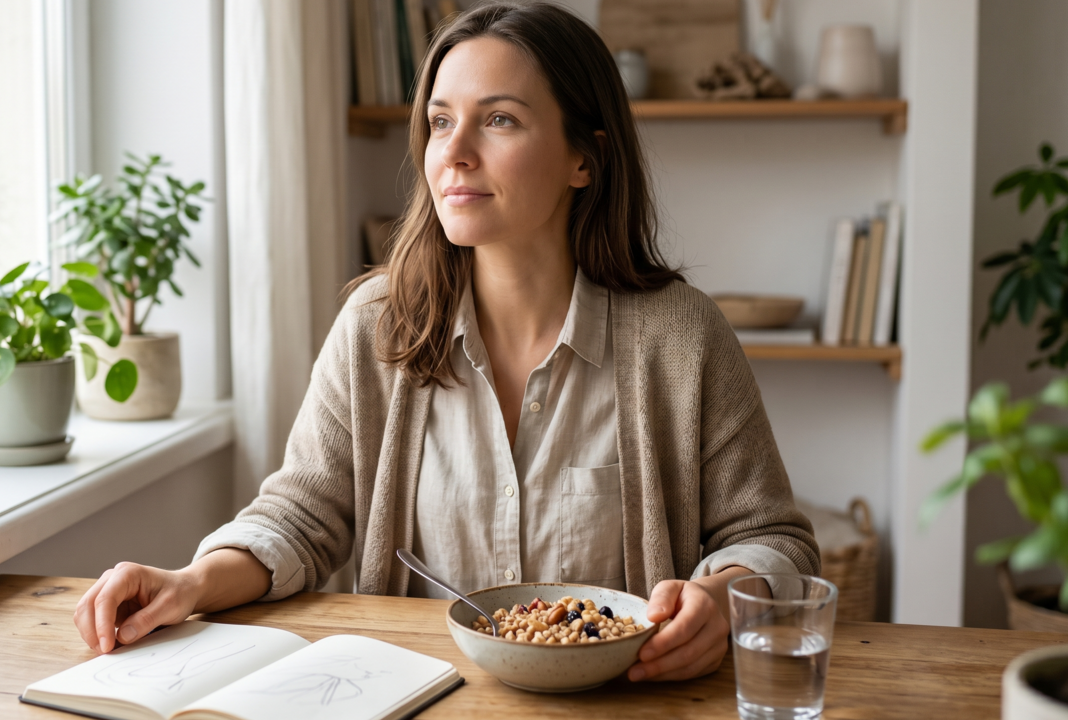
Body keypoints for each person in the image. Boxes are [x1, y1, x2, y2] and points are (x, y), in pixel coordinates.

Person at [74, 1, 818, 684]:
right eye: (439, 121)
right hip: (415, 696)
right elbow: (300, 519)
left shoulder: (683, 337)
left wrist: (720, 601)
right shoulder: (376, 326)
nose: (453, 153)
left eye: (498, 120)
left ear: (583, 160)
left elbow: (775, 540)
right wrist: (188, 582)